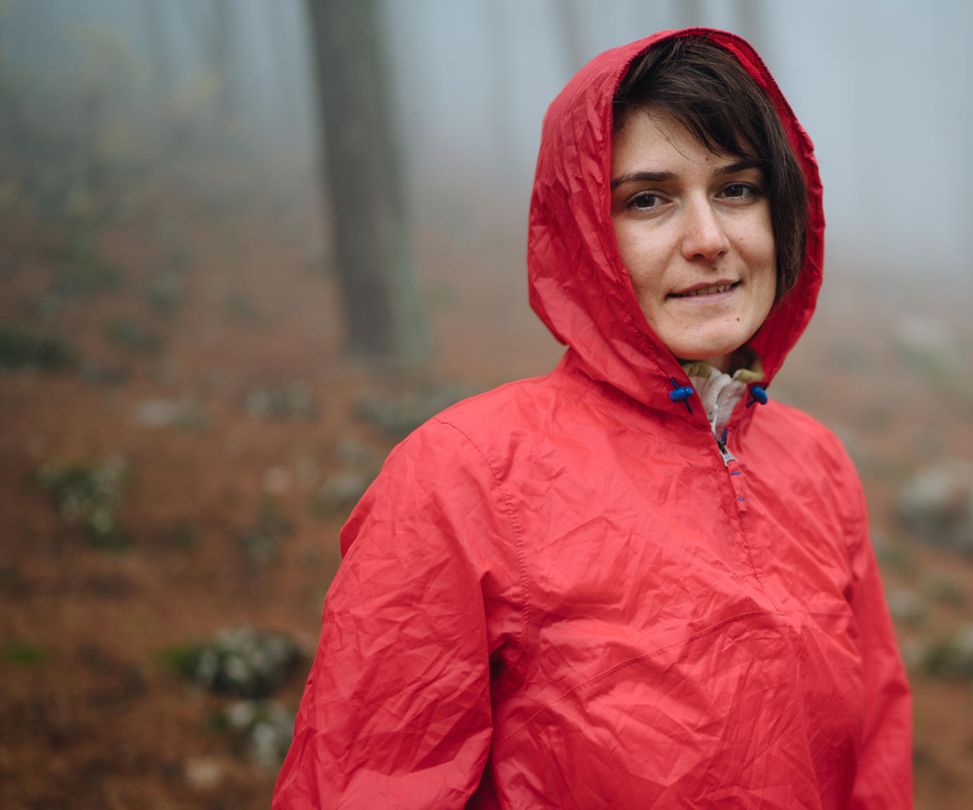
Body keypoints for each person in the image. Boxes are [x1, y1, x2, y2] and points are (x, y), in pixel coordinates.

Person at [274, 28, 911, 808]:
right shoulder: (461, 476)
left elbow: (874, 761)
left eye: (737, 189)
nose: (708, 240)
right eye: (649, 200)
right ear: (585, 232)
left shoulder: (817, 465)